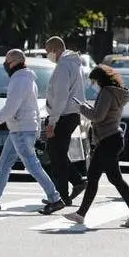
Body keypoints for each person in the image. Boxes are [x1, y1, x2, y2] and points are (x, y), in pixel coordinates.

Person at [0, 49, 66, 216]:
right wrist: (37, 128)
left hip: (21, 130)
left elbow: (10, 109)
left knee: (32, 165)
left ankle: (55, 198)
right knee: (4, 164)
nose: (5, 65)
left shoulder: (20, 80)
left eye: (7, 62)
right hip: (20, 129)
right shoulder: (27, 79)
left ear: (15, 62)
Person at [64, 65, 129, 228]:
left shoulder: (107, 92)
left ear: (100, 79)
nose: (93, 84)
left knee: (109, 178)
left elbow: (98, 117)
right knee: (100, 177)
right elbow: (104, 113)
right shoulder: (115, 92)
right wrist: (89, 107)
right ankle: (80, 214)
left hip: (108, 139)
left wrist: (82, 108)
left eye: (94, 81)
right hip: (111, 138)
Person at [43, 36, 87, 205]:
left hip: (64, 115)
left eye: (48, 52)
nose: (48, 55)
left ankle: (62, 194)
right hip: (70, 114)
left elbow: (61, 96)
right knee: (58, 153)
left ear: (55, 50)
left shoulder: (63, 66)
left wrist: (52, 122)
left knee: (57, 155)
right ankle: (76, 182)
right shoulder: (74, 63)